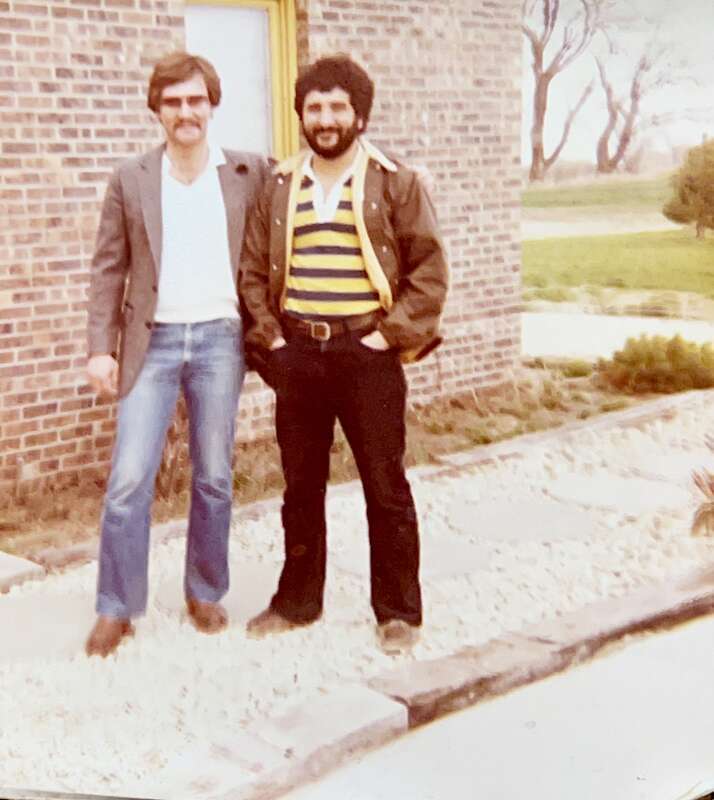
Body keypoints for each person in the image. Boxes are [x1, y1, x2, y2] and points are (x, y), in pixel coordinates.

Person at [239, 54, 448, 653]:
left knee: (385, 484)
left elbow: (429, 270)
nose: (324, 118)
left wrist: (389, 336)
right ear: (302, 114)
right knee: (300, 487)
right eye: (314, 107)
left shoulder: (395, 181)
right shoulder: (279, 186)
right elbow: (253, 270)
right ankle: (298, 601)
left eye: (336, 107)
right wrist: (273, 340)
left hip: (368, 355)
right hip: (298, 354)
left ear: (359, 114)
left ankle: (398, 612)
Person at [85, 51, 268, 657]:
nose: (185, 112)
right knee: (129, 478)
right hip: (152, 343)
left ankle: (205, 591)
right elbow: (109, 268)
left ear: (211, 104)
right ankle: (116, 607)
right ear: (157, 110)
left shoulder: (248, 171)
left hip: (221, 339)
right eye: (172, 102)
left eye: (195, 100)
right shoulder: (131, 177)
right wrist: (99, 349)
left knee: (214, 474)